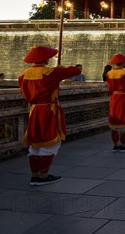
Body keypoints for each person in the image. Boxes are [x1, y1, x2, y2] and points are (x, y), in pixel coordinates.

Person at [18, 45, 81, 186]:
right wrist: (61, 68)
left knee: (35, 143)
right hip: (49, 110)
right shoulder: (49, 72)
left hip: (34, 110)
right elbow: (77, 70)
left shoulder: (23, 75)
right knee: (51, 141)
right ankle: (43, 175)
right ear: (46, 59)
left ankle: (35, 175)